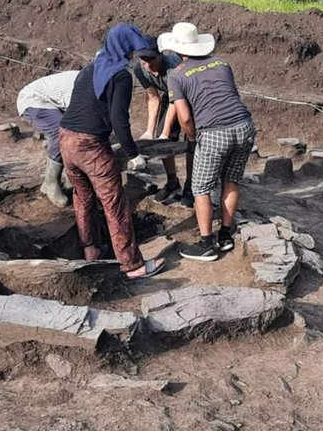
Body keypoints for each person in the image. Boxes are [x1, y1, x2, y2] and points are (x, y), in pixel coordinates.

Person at [59, 23, 166, 279]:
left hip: (65, 139)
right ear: (127, 48)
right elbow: (119, 120)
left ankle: (91, 251)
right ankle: (132, 266)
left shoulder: (90, 69)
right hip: (91, 146)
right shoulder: (120, 75)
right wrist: (133, 154)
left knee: (83, 197)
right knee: (114, 204)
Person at [161, 22, 256, 263]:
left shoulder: (177, 75)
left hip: (214, 132)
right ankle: (225, 235)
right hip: (244, 125)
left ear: (176, 48)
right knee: (231, 179)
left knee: (201, 188)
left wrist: (193, 136)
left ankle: (205, 244)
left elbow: (183, 116)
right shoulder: (222, 63)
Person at [133, 43, 194, 206]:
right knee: (164, 144)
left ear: (160, 56)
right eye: (143, 60)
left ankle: (190, 186)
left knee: (191, 141)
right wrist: (149, 131)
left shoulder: (173, 68)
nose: (147, 65)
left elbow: (177, 102)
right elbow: (153, 98)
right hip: (171, 96)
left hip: (191, 97)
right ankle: (172, 181)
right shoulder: (140, 69)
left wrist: (165, 133)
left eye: (151, 60)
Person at [17, 70, 80, 208]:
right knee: (61, 133)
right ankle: (51, 182)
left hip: (55, 102)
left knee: (75, 134)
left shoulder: (102, 83)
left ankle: (70, 178)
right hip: (34, 100)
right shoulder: (85, 86)